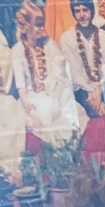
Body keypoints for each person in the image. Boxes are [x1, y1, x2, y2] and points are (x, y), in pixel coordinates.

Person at [12, 0, 82, 144]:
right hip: (32, 101)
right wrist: (31, 113)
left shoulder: (49, 44)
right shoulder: (17, 51)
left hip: (55, 95)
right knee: (41, 118)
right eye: (37, 25)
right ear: (26, 26)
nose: (42, 29)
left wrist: (56, 103)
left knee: (70, 115)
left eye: (42, 24)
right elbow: (21, 88)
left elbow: (62, 77)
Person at [60, 1, 105, 117]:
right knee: (69, 89)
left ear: (92, 11)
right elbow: (74, 73)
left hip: (104, 87)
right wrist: (91, 90)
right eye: (77, 11)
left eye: (85, 10)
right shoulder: (67, 38)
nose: (82, 15)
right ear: (73, 14)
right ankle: (104, 111)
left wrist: (99, 88)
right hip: (82, 89)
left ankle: (98, 109)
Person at [0, 27, 29, 182]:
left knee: (10, 109)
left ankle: (11, 172)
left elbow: (5, 84)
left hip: (3, 98)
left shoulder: (3, 50)